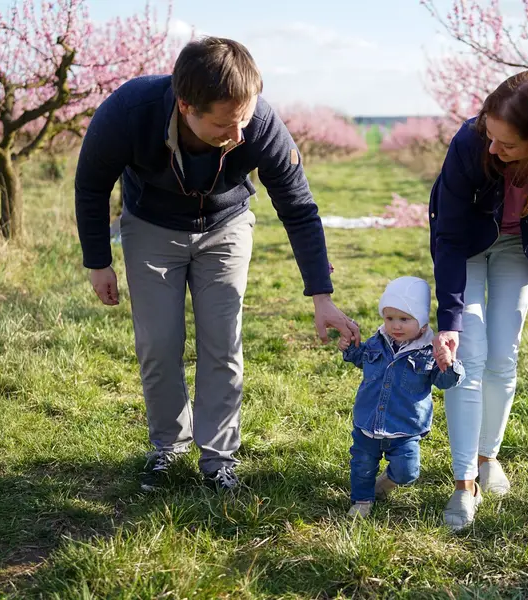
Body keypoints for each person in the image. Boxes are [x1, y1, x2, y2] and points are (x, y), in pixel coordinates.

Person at [74, 37, 359, 493]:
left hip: (226, 227)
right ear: (186, 106)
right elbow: (90, 185)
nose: (240, 134)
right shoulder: (130, 110)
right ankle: (167, 449)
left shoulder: (259, 121)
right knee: (159, 343)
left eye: (244, 119)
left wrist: (321, 296)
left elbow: (299, 207)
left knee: (223, 343)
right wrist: (98, 261)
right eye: (226, 124)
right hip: (151, 225)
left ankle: (218, 458)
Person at [428, 70, 528, 530]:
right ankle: (463, 484)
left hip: (518, 249)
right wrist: (450, 321)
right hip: (466, 246)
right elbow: (450, 235)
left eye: (508, 145)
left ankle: (488, 458)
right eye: (491, 137)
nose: (494, 150)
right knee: (469, 355)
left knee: (503, 356)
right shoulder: (470, 143)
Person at [339, 277, 464, 518]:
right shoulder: (378, 341)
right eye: (390, 318)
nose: (395, 326)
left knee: (408, 472)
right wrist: (350, 348)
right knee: (362, 465)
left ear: (422, 322)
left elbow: (444, 382)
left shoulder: (430, 351)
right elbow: (362, 358)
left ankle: (386, 483)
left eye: (404, 319)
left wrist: (449, 365)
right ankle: (362, 500)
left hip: (405, 427)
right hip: (369, 421)